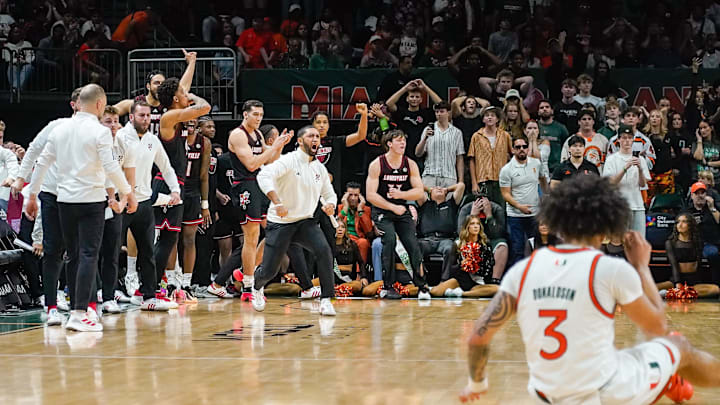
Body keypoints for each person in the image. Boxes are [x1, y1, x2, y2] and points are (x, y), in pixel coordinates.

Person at [461, 175, 714, 404]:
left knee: (626, 355)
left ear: (558, 223)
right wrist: (640, 267)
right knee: (677, 344)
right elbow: (657, 327)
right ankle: (663, 378)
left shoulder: (522, 270)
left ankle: (660, 380)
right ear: (605, 225)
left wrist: (476, 383)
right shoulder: (608, 268)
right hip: (604, 393)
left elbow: (477, 337)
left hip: (544, 395)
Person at [26, 84, 138, 332]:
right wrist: (127, 193)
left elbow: (42, 162)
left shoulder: (60, 129)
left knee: (73, 255)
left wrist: (31, 195)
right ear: (99, 105)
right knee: (88, 254)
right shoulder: (99, 132)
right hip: (91, 201)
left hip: (64, 201)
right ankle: (79, 312)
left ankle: (76, 310)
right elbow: (110, 167)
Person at [12, 88, 82, 326]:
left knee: (80, 253)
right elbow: (33, 151)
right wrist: (23, 181)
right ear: (74, 105)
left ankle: (81, 307)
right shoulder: (56, 126)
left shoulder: (97, 132)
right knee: (52, 251)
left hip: (82, 197)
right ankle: (51, 305)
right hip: (52, 195)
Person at [207, 100, 288, 300]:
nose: (259, 118)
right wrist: (274, 146)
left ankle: (241, 275)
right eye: (255, 115)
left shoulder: (258, 135)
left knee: (272, 232)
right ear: (245, 115)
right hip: (245, 186)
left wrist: (279, 147)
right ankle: (247, 285)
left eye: (261, 115)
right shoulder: (237, 135)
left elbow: (269, 161)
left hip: (260, 184)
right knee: (251, 237)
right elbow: (251, 164)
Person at [252, 125, 335, 315]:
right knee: (269, 270)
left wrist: (330, 203)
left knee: (324, 251)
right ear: (299, 141)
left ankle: (326, 299)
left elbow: (329, 194)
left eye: (317, 136)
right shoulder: (288, 161)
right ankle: (256, 286)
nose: (315, 139)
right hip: (281, 223)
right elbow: (263, 175)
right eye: (311, 136)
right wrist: (276, 201)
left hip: (305, 222)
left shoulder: (319, 168)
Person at [117, 101, 180, 311]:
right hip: (122, 201)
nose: (146, 119)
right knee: (111, 248)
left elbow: (166, 167)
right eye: (142, 115)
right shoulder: (121, 137)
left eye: (148, 116)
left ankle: (148, 295)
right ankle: (108, 293)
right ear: (131, 117)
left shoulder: (153, 140)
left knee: (148, 251)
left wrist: (175, 190)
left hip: (144, 202)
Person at [154, 77, 211, 300]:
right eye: (183, 93)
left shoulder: (175, 116)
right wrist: (191, 98)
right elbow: (204, 107)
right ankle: (155, 287)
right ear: (176, 98)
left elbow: (180, 89)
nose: (188, 95)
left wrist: (191, 65)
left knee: (170, 240)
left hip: (176, 184)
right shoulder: (169, 117)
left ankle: (165, 287)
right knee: (166, 241)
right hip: (166, 184)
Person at [366, 129, 430, 300]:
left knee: (413, 245)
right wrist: (391, 207)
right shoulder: (377, 164)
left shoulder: (410, 164)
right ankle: (387, 287)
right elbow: (370, 195)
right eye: (398, 140)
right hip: (382, 211)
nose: (403, 143)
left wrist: (401, 196)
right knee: (389, 242)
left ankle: (422, 285)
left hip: (401, 209)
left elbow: (419, 192)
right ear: (389, 144)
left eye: (404, 140)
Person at [97, 106, 136, 314]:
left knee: (112, 252)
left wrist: (124, 200)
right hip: (92, 200)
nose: (113, 126)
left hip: (114, 204)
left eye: (115, 121)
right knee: (87, 252)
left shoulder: (123, 144)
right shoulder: (92, 143)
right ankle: (86, 295)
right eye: (108, 121)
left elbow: (128, 175)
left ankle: (109, 296)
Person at [114, 49, 197, 136]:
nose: (160, 86)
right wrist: (117, 126)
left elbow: (183, 89)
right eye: (156, 83)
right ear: (148, 86)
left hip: (162, 147)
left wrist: (192, 62)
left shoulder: (169, 103)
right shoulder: (135, 103)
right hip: (140, 147)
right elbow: (108, 112)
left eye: (162, 83)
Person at [499, 135, 547, 264]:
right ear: (513, 150)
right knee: (518, 248)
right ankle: (518, 279)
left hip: (535, 213)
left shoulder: (536, 163)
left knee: (537, 246)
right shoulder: (506, 170)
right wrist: (519, 206)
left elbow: (542, 179)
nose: (521, 149)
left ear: (528, 148)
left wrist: (545, 196)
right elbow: (505, 194)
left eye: (524, 146)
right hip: (515, 215)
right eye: (518, 147)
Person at [430, 216, 498, 298]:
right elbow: (450, 269)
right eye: (472, 224)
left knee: (498, 289)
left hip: (476, 282)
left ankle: (461, 294)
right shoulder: (458, 244)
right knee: (435, 292)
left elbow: (489, 270)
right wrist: (461, 265)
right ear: (467, 227)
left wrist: (476, 265)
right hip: (459, 280)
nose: (476, 226)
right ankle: (422, 289)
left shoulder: (485, 245)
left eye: (478, 224)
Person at [603, 126, 651, 236]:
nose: (627, 141)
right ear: (618, 140)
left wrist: (639, 169)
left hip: (637, 204)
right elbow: (611, 183)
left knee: (638, 240)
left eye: (630, 138)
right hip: (619, 205)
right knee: (619, 239)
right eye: (624, 138)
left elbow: (643, 184)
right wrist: (625, 168)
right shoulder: (612, 159)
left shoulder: (640, 159)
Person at [662, 213, 720, 297]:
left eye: (684, 222)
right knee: (653, 287)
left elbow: (698, 263)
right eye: (678, 222)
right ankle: (681, 293)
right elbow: (673, 264)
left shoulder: (697, 242)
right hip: (677, 278)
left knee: (716, 289)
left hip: (693, 280)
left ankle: (679, 293)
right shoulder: (670, 243)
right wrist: (677, 282)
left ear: (690, 225)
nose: (680, 225)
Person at [417, 183, 465, 281]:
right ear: (430, 194)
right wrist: (429, 189)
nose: (439, 188)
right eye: (436, 188)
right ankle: (420, 280)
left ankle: (445, 280)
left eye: (441, 188)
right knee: (416, 247)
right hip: (426, 240)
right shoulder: (425, 204)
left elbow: (461, 186)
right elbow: (416, 185)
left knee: (450, 248)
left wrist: (446, 189)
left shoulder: (451, 204)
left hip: (445, 240)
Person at [386, 79, 441, 161]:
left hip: (422, 153)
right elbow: (389, 103)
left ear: (421, 100)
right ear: (407, 99)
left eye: (417, 97)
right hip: (403, 153)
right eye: (412, 96)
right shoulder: (401, 112)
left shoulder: (426, 113)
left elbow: (441, 104)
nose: (414, 99)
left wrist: (425, 88)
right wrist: (405, 88)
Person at [467, 106, 513, 206]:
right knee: (484, 210)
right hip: (483, 179)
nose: (489, 118)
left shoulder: (505, 135)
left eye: (492, 115)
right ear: (483, 119)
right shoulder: (476, 136)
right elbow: (472, 160)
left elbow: (513, 156)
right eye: (487, 115)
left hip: (501, 180)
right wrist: (474, 183)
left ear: (497, 119)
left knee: (501, 210)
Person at [415, 100, 464, 188]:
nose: (439, 114)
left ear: (448, 113)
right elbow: (418, 153)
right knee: (428, 201)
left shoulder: (457, 132)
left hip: (449, 176)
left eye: (442, 111)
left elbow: (459, 157)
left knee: (449, 202)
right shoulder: (428, 129)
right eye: (437, 112)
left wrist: (461, 181)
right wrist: (425, 138)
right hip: (430, 175)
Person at [688, 182, 720, 277]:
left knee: (712, 253)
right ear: (692, 196)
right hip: (692, 243)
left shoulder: (713, 209)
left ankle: (716, 283)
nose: (700, 196)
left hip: (710, 242)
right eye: (697, 193)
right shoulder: (687, 210)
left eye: (702, 193)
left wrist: (712, 208)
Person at [338, 182, 373, 264]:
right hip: (344, 238)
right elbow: (336, 224)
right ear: (345, 195)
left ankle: (360, 273)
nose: (353, 198)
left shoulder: (366, 209)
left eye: (356, 195)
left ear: (360, 197)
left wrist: (360, 209)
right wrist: (345, 208)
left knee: (363, 242)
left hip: (358, 239)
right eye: (350, 195)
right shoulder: (341, 207)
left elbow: (368, 231)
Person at [537, 100, 570, 176]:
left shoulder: (561, 128)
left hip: (556, 167)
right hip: (538, 167)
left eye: (547, 107)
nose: (544, 109)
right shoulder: (534, 127)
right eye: (541, 108)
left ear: (552, 111)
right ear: (538, 112)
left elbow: (566, 147)